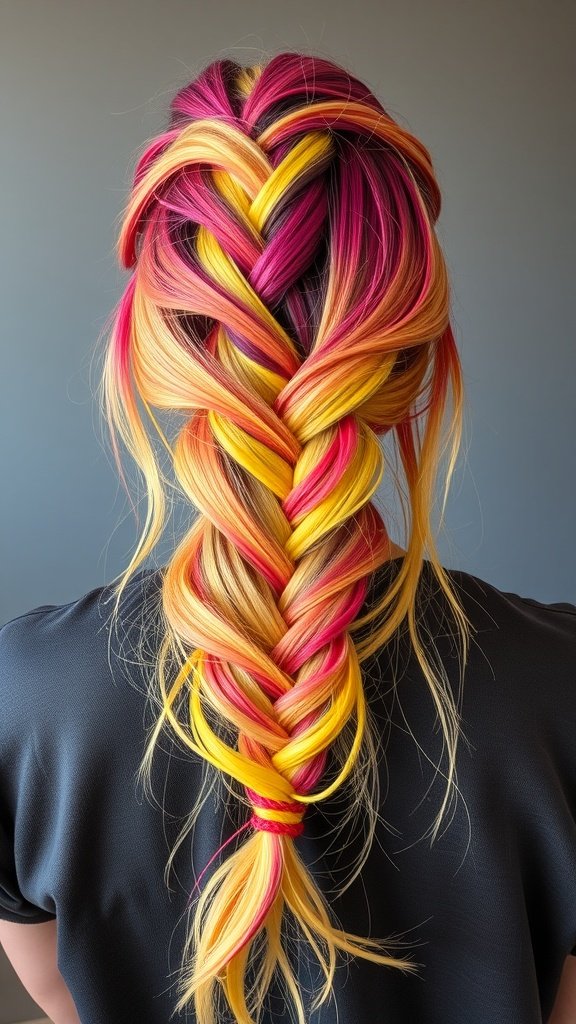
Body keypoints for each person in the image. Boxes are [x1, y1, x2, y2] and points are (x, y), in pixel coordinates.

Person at [1, 50, 575, 1024]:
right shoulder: (560, 684)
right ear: (416, 361)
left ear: (152, 351)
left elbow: (57, 987)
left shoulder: (24, 696)